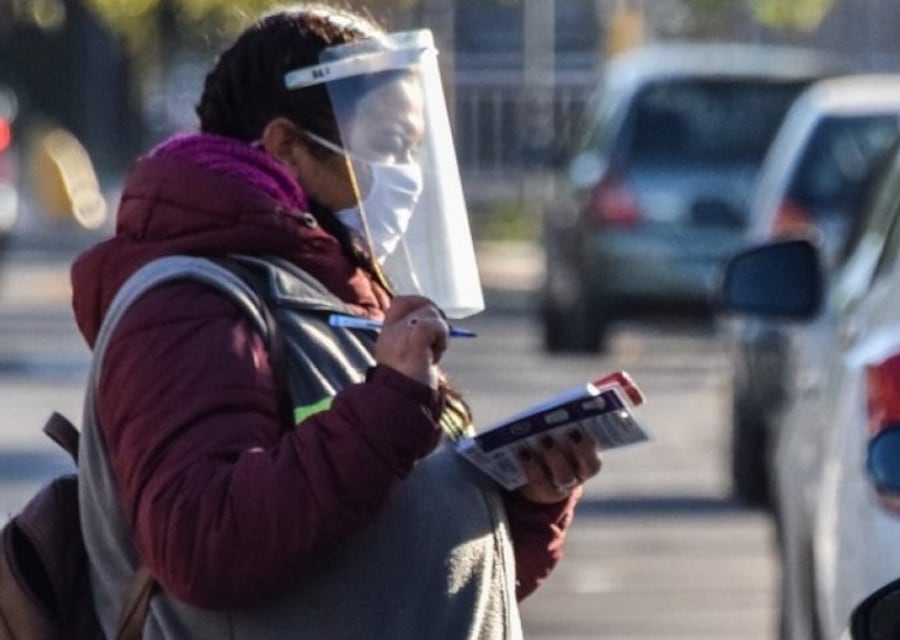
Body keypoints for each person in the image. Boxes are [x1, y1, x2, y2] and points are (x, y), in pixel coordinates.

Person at [70, 4, 601, 639]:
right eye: (383, 148)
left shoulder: (337, 291)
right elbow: (204, 542)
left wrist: (525, 506)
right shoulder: (191, 303)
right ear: (286, 147)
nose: (404, 177)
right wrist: (392, 405)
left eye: (413, 152)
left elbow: (388, 570)